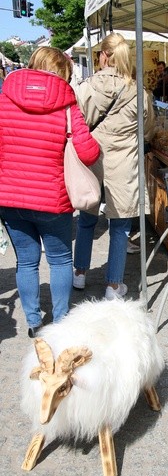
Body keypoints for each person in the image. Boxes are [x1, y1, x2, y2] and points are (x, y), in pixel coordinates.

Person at [0, 47, 100, 338]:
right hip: (52, 200)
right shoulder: (68, 106)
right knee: (59, 260)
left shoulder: (4, 98)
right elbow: (89, 153)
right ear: (62, 73)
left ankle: (33, 322)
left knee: (27, 261)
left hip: (10, 198)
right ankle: (60, 323)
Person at [73, 32, 155, 300]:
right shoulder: (138, 92)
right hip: (124, 163)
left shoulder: (88, 86)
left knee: (87, 219)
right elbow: (148, 130)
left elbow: (77, 123)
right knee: (120, 226)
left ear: (103, 55)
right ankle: (113, 286)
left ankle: (80, 274)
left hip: (92, 158)